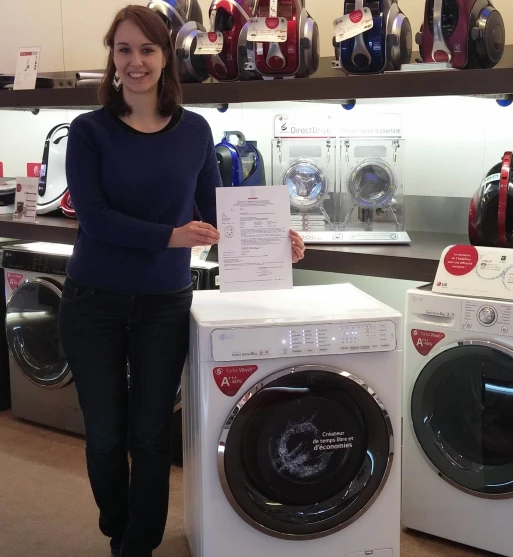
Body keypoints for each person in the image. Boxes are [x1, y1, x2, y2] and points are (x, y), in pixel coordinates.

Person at [58, 5, 306, 557]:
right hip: (92, 301)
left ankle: (137, 544)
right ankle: (117, 523)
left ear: (166, 55)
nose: (136, 61)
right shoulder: (89, 130)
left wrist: (273, 240)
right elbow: (93, 217)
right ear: (113, 59)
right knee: (104, 436)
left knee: (150, 436)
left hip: (164, 303)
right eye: (124, 50)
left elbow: (216, 210)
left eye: (147, 49)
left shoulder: (194, 129)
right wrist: (170, 236)